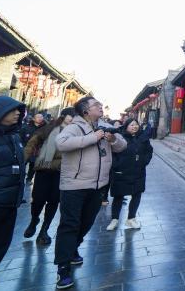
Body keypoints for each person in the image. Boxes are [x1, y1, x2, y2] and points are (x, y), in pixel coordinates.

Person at [54, 97, 127, 290]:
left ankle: (73, 249)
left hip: (98, 185)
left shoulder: (106, 127)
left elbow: (122, 146)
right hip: (74, 185)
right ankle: (63, 268)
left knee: (86, 222)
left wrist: (112, 139)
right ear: (85, 110)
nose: (100, 107)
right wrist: (92, 138)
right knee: (69, 225)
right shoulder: (74, 127)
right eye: (96, 105)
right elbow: (61, 143)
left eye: (101, 105)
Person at [0, 96, 26, 290]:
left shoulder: (15, 137)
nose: (18, 113)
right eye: (13, 110)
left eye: (19, 109)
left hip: (10, 203)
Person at [23, 107, 76, 246]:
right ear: (64, 116)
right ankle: (34, 220)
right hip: (44, 169)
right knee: (38, 200)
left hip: (62, 171)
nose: (73, 118)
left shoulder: (76, 132)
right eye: (72, 115)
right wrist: (23, 160)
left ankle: (44, 230)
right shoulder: (49, 128)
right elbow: (32, 143)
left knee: (53, 201)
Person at [106, 118, 154, 231]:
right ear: (126, 126)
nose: (134, 127)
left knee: (137, 194)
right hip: (121, 171)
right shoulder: (120, 136)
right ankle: (114, 219)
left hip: (138, 170)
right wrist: (116, 164)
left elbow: (149, 151)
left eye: (136, 124)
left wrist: (144, 161)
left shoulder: (143, 137)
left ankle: (131, 219)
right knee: (118, 195)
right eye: (132, 125)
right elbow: (112, 151)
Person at [99, 119, 121, 206]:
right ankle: (102, 196)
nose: (117, 126)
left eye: (118, 125)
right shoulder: (105, 133)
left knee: (109, 180)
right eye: (115, 125)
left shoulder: (119, 135)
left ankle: (105, 196)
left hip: (115, 162)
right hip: (106, 160)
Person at [20, 112, 45, 184]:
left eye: (41, 117)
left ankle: (29, 179)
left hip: (37, 150)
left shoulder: (45, 128)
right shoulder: (26, 127)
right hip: (26, 149)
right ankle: (20, 178)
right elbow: (21, 138)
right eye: (38, 117)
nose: (40, 118)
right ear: (34, 119)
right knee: (23, 164)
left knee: (33, 166)